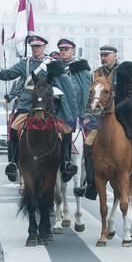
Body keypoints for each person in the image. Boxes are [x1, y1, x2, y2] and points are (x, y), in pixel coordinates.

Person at [0, 35, 79, 182]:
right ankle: (14, 164)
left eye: (38, 46)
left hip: (49, 106)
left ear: (44, 47)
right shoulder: (25, 63)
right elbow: (7, 75)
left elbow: (65, 84)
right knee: (14, 128)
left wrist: (71, 111)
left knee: (66, 130)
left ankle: (65, 164)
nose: (35, 49)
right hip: (27, 104)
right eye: (33, 46)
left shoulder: (53, 63)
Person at [75, 54, 132, 200]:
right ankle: (90, 183)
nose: (103, 58)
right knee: (87, 143)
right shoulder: (97, 73)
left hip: (127, 115)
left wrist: (116, 108)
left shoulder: (126, 70)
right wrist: (88, 115)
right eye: (101, 55)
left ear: (115, 56)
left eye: (106, 55)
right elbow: (91, 97)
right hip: (101, 117)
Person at [57, 38, 92, 178]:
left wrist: (86, 115)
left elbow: (87, 92)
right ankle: (64, 163)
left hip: (80, 114)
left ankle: (90, 178)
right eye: (61, 50)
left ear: (73, 51)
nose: (63, 52)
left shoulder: (82, 69)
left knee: (92, 142)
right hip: (61, 113)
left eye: (66, 49)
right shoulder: (55, 68)